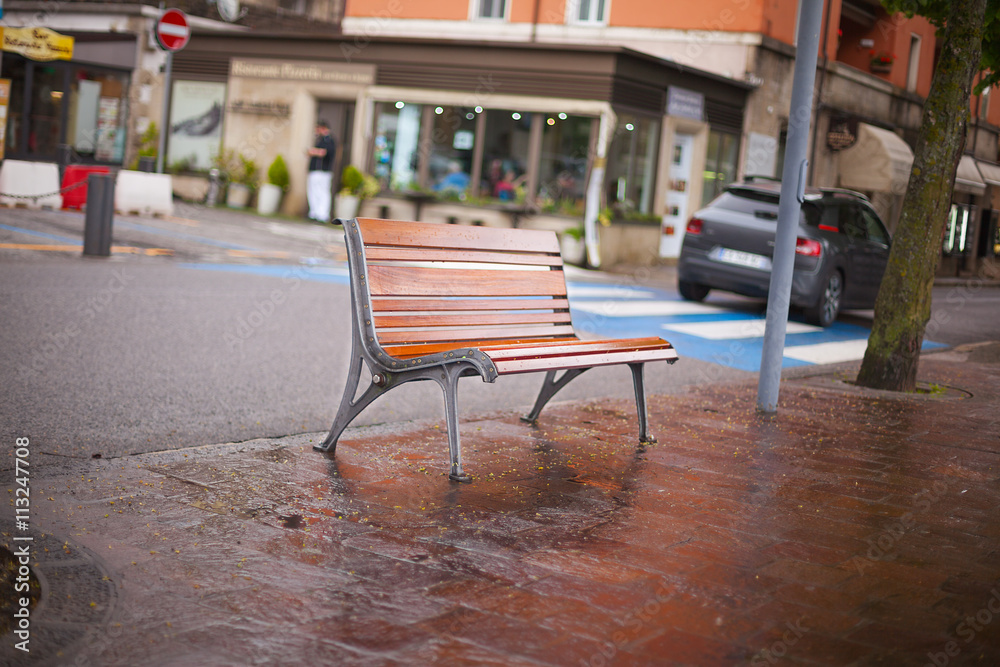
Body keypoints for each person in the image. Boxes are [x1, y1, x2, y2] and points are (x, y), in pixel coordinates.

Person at [307, 121, 337, 222]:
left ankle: (323, 214)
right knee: (313, 191)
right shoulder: (319, 140)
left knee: (323, 192)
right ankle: (314, 212)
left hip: (323, 171)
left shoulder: (329, 140)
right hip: (315, 170)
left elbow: (324, 152)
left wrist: (314, 151)